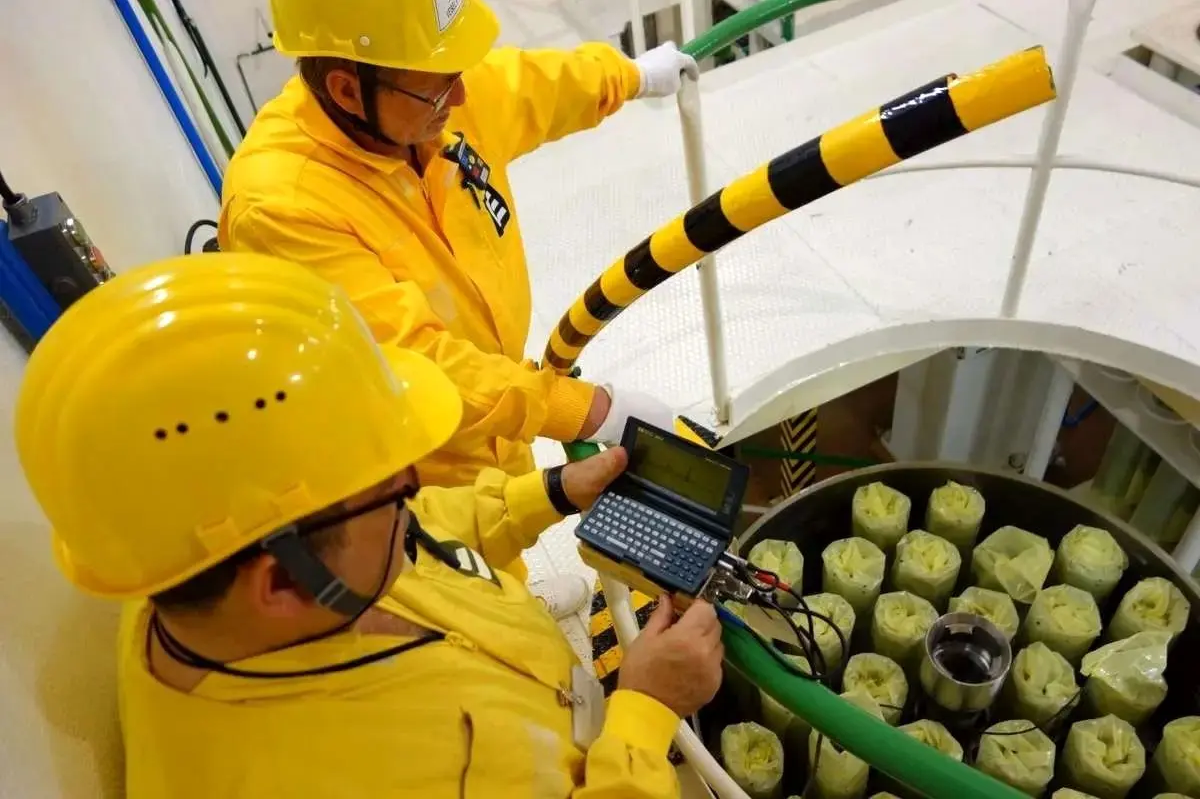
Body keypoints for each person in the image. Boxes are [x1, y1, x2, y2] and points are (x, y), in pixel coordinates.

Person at [15, 252, 724, 798]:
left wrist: (550, 492)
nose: (414, 486)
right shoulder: (302, 775)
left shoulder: (203, 549)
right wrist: (644, 713)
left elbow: (415, 530)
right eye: (387, 488)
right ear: (280, 582)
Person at [218, 0, 694, 616]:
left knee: (502, 518)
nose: (463, 96)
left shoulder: (421, 105)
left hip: (494, 396)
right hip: (414, 449)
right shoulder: (283, 205)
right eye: (439, 88)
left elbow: (531, 87)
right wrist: (586, 409)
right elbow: (410, 363)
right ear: (347, 88)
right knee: (458, 566)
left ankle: (514, 588)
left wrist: (629, 76)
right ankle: (506, 614)